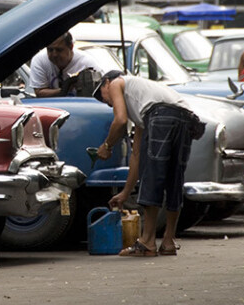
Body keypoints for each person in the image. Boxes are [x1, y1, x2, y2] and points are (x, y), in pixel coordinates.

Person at [93, 70, 203, 257]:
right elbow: (136, 156)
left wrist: (107, 146)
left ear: (106, 83)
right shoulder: (142, 108)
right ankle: (168, 241)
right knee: (173, 179)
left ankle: (147, 242)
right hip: (186, 118)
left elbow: (119, 120)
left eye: (103, 97)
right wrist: (125, 193)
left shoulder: (116, 83)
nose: (108, 102)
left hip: (162, 116)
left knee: (152, 177)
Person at [30, 32, 101, 97]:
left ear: (71, 47)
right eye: (50, 50)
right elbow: (39, 92)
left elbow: (100, 90)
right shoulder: (40, 60)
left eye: (59, 50)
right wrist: (64, 89)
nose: (54, 54)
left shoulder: (87, 63)